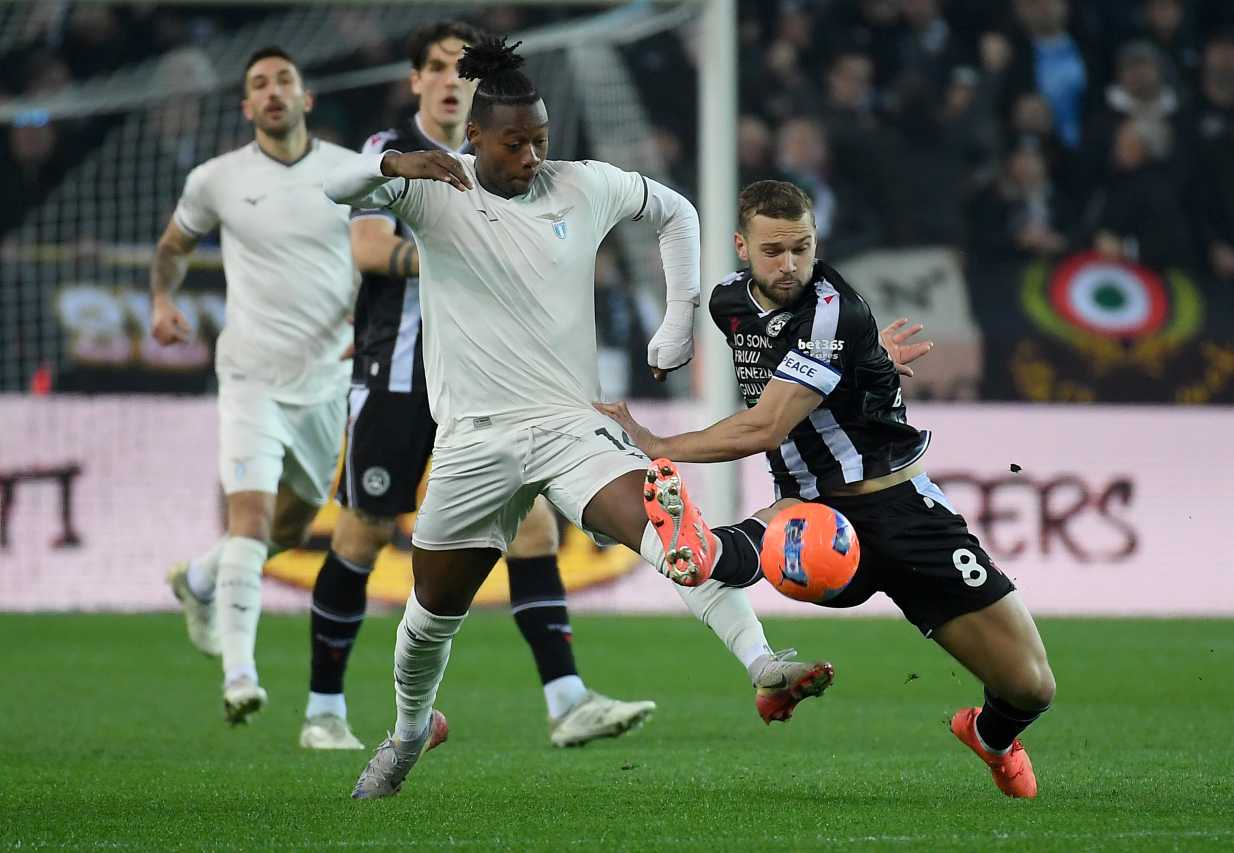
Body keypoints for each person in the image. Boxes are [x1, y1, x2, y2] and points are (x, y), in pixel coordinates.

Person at [324, 38, 834, 800]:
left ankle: (764, 664)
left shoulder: (581, 185)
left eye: (540, 139)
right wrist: (394, 164)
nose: (531, 156)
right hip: (474, 439)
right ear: (475, 136)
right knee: (430, 617)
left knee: (673, 534)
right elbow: (330, 187)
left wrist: (679, 318)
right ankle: (408, 732)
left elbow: (676, 211)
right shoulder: (433, 187)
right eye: (514, 143)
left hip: (570, 425)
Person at [598, 180, 1057, 799]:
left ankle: (990, 737)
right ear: (741, 247)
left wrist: (659, 444)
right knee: (761, 540)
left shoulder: (833, 311)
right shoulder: (728, 302)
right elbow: (797, 367)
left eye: (802, 248)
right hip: (815, 513)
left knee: (1031, 687)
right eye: (773, 251)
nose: (789, 264)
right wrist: (864, 358)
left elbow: (766, 426)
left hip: (903, 511)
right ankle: (703, 551)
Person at [302, 21, 654, 752]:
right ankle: (323, 708)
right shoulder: (390, 150)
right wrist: (458, 252)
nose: (449, 82)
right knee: (364, 529)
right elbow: (367, 247)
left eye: (461, 71)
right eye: (436, 68)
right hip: (402, 371)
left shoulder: (513, 167)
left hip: (499, 381)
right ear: (416, 81)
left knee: (533, 526)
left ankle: (567, 699)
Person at [151, 46, 361, 724]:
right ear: (247, 106)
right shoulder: (216, 179)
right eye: (260, 85)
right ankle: (240, 675)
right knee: (249, 519)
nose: (272, 92)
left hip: (326, 380)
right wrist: (162, 300)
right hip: (249, 375)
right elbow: (173, 248)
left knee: (291, 526)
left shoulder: (350, 171)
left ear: (306, 98)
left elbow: (388, 245)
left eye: (284, 81)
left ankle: (200, 578)